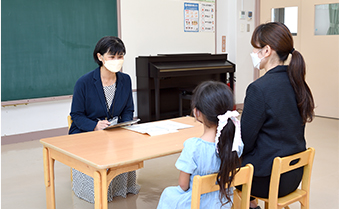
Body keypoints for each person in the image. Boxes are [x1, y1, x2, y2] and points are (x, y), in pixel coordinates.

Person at [240, 22, 315, 209]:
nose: (253, 53)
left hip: (269, 179)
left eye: (255, 49)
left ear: (267, 50)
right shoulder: (297, 82)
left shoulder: (259, 89)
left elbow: (245, 140)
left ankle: (251, 205)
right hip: (294, 174)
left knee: (225, 166)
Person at [69, 36, 139, 203]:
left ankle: (120, 187)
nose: (117, 60)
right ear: (100, 57)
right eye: (112, 56)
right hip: (87, 133)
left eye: (120, 56)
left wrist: (125, 125)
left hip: (115, 132)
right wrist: (94, 126)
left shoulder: (125, 80)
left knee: (126, 147)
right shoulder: (84, 82)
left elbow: (128, 109)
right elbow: (76, 115)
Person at [157, 81, 244, 209]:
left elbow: (183, 185)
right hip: (222, 203)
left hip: (198, 204)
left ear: (197, 112)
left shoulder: (193, 147)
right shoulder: (236, 143)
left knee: (168, 194)